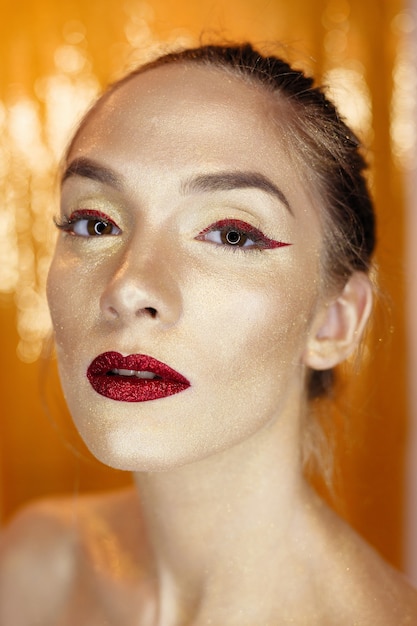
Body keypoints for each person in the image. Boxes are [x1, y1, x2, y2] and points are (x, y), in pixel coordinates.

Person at [0, 42, 416, 625]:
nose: (128, 286)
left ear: (334, 321)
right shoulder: (35, 564)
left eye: (231, 234)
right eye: (95, 223)